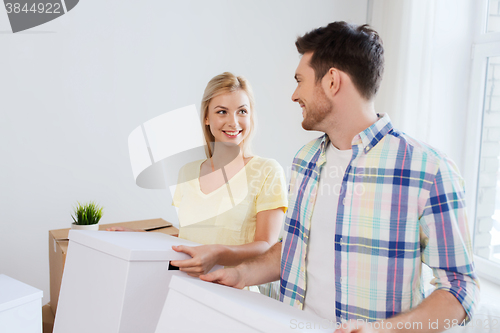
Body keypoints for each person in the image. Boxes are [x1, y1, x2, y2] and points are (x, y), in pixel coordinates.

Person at [200, 22, 479, 332]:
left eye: (300, 80)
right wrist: (242, 274)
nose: (294, 95)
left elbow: (460, 288)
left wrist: (385, 330)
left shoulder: (428, 170)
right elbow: (294, 250)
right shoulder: (306, 160)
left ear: (332, 81)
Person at [110, 73, 287, 291]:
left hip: (236, 292)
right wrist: (145, 239)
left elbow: (267, 247)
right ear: (206, 117)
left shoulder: (267, 170)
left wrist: (218, 254)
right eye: (222, 112)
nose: (234, 122)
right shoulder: (188, 172)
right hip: (185, 287)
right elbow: (192, 237)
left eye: (242, 111)